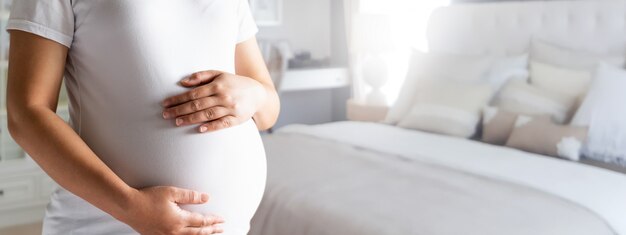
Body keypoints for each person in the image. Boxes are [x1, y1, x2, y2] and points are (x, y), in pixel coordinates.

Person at [6, 0, 279, 234]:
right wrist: (131, 206)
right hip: (110, 222)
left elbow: (268, 111)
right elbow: (26, 112)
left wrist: (255, 94)